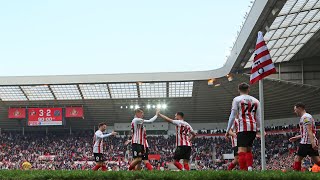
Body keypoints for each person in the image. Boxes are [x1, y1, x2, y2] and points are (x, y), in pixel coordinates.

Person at [225, 82, 261, 171]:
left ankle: (243, 171)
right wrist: (259, 129)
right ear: (248, 89)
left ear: (238, 90)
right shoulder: (256, 101)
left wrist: (227, 130)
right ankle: (249, 168)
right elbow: (258, 117)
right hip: (252, 128)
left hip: (243, 129)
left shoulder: (237, 99)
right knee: (248, 150)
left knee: (241, 151)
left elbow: (232, 116)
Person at [289, 102, 320, 171]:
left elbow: (309, 131)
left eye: (295, 109)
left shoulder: (306, 117)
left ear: (299, 108)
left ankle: (297, 175)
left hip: (306, 142)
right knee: (317, 161)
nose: (295, 111)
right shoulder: (305, 117)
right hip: (309, 141)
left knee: (297, 159)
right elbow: (306, 132)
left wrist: (313, 143)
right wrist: (297, 137)